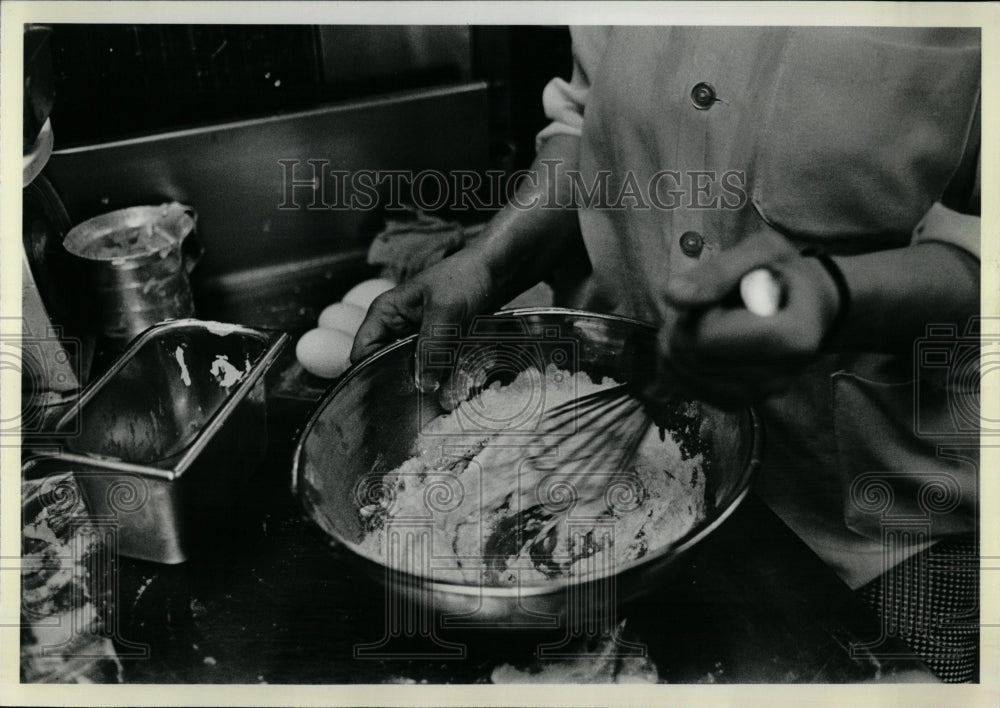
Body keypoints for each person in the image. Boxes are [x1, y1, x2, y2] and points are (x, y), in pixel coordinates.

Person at [351, 27, 981, 681]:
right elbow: (590, 127)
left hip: (876, 526)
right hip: (628, 449)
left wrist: (835, 297)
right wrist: (488, 258)